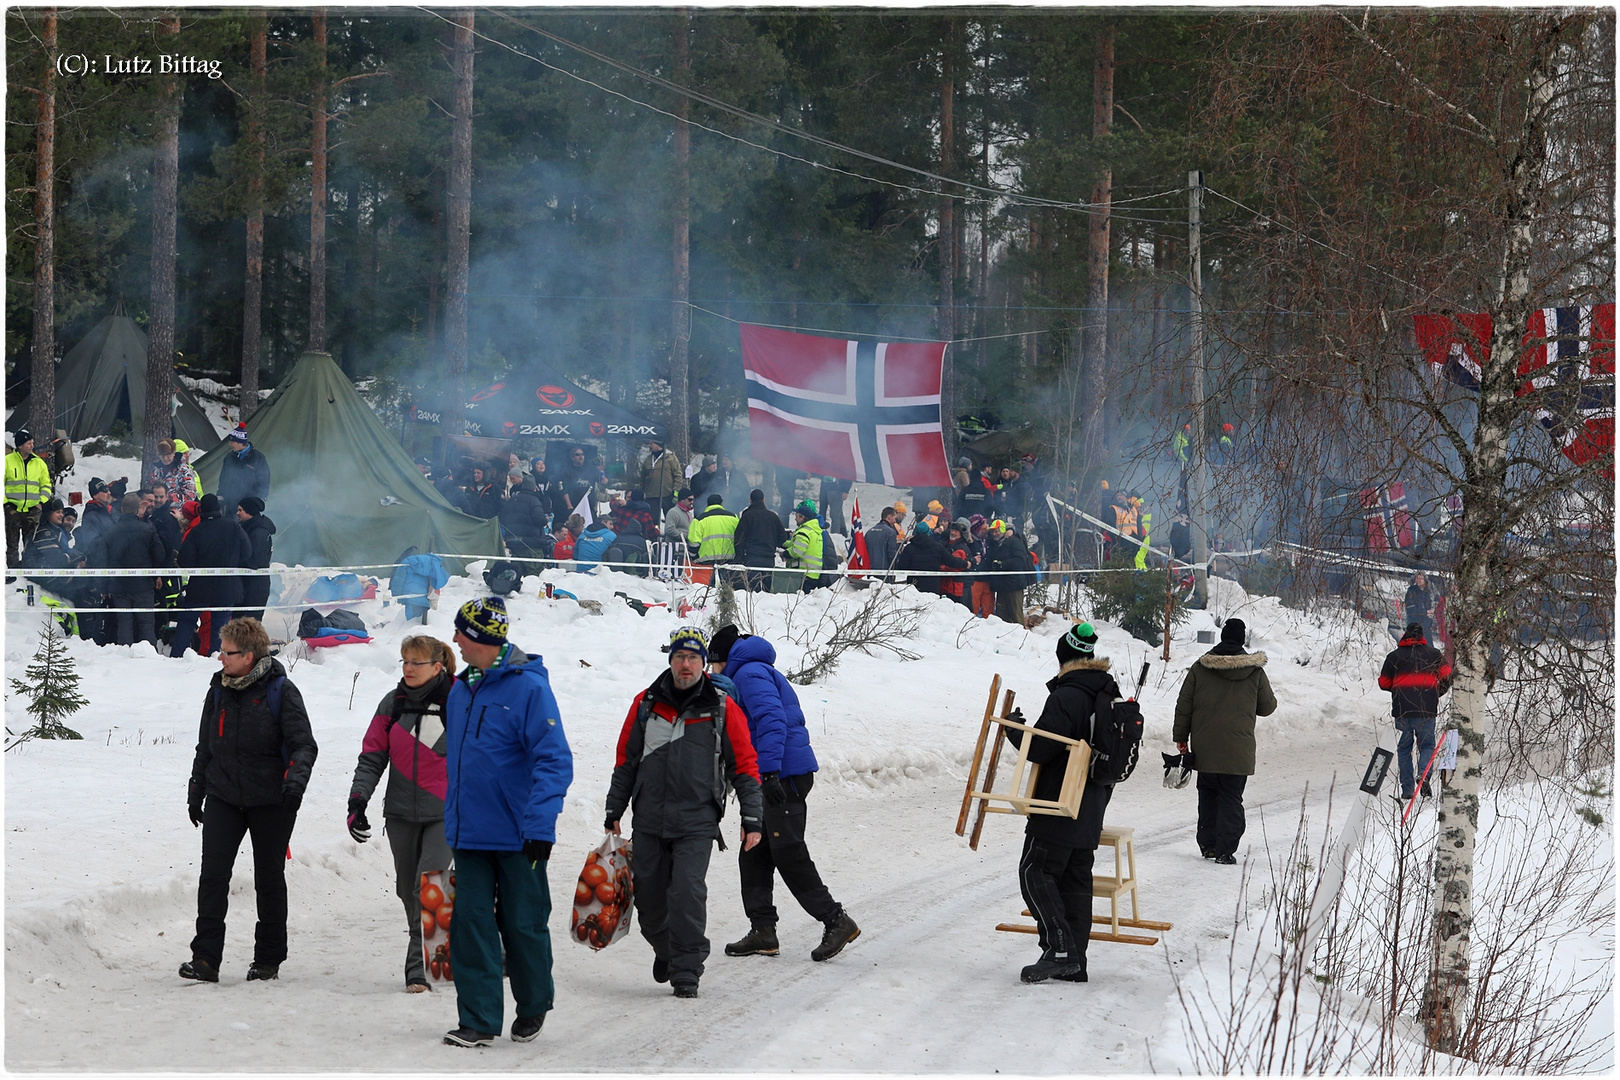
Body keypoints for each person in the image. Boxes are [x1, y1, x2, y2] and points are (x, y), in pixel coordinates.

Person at [603, 627, 765, 998]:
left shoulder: (722, 707)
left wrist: (752, 817)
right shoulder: (645, 704)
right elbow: (626, 761)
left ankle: (687, 969)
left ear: (704, 663)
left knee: (688, 894)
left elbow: (745, 765)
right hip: (649, 819)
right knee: (648, 900)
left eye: (693, 658)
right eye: (680, 657)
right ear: (670, 661)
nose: (686, 665)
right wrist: (615, 806)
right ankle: (668, 950)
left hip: (697, 820)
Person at [440, 597, 573, 1047]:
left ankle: (534, 1004)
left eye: (460, 632)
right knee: (470, 926)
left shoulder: (529, 689)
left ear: (481, 638)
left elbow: (554, 760)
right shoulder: (460, 690)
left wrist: (540, 826)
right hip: (470, 833)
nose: (454, 640)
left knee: (523, 923)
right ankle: (477, 1019)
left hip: (519, 835)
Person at [708, 626, 860, 964]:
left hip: (783, 776)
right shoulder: (749, 672)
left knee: (787, 851)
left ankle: (836, 920)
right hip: (772, 773)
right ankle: (763, 929)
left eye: (711, 663)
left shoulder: (748, 673)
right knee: (754, 849)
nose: (711, 670)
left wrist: (770, 771)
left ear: (720, 660)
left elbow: (773, 720)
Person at [181, 616, 317, 984]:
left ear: (250, 656)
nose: (220, 658)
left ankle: (268, 958)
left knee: (269, 878)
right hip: (225, 796)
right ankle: (205, 959)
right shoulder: (218, 691)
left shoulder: (281, 691)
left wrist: (294, 786)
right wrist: (197, 790)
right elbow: (206, 745)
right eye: (221, 651)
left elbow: (304, 745)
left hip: (272, 800)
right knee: (212, 876)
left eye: (228, 652)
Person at [1003, 622, 1116, 983]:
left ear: (1063, 657)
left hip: (1057, 805)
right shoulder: (1106, 694)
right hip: (1091, 806)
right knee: (1074, 880)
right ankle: (1074, 960)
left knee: (1034, 872)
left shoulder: (1066, 696)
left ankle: (1061, 947)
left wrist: (1014, 731)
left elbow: (1041, 749)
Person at [348, 635, 457, 991]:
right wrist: (358, 800)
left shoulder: (458, 702)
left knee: (427, 887)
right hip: (399, 813)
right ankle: (451, 942)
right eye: (404, 661)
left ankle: (418, 969)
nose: (408, 668)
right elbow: (373, 755)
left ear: (437, 667)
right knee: (406, 889)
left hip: (445, 812)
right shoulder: (392, 703)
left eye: (416, 662)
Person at [1172, 618, 1276, 864]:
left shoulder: (1200, 667)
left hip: (1206, 749)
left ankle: (1208, 845)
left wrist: (1180, 737)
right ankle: (1225, 850)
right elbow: (1268, 707)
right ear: (1242, 640)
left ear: (1222, 637)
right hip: (1238, 751)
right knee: (1231, 798)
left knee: (1207, 796)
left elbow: (1184, 704)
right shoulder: (1255, 671)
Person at [1378, 621, 1452, 802]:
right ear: (1422, 637)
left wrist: (1398, 690)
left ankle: (1407, 790)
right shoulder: (1434, 655)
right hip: (1427, 708)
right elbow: (1447, 674)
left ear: (1405, 635)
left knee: (1404, 749)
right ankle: (1424, 776)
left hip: (1402, 710)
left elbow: (1383, 683)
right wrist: (1437, 691)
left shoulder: (1394, 657)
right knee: (1426, 745)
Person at [173, 494, 252, 658]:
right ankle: (216, 657)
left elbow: (184, 560)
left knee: (187, 621)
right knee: (221, 625)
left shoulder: (197, 531)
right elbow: (247, 553)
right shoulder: (234, 527)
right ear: (219, 509)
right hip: (227, 586)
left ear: (201, 510)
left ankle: (177, 655)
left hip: (199, 588)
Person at [103, 493, 167, 647]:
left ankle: (125, 654)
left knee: (124, 623)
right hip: (143, 585)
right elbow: (160, 555)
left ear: (123, 508)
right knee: (146, 624)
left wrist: (105, 584)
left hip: (119, 585)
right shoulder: (147, 529)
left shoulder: (111, 531)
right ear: (139, 509)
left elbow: (103, 559)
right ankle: (148, 656)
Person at [6, 429, 53, 566]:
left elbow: (46, 485)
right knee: (11, 543)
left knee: (31, 543)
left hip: (33, 510)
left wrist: (40, 502)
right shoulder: (7, 462)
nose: (32, 446)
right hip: (12, 509)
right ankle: (12, 571)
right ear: (20, 446)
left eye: (32, 443)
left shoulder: (39, 463)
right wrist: (6, 505)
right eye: (28, 443)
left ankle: (29, 569)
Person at [217, 424, 271, 519]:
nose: (230, 444)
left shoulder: (258, 458)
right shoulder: (229, 457)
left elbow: (264, 481)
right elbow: (223, 479)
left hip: (248, 507)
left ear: (240, 443)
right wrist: (220, 496)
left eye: (232, 441)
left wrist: (259, 499)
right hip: (229, 504)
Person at [735, 488, 785, 592]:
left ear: (750, 500)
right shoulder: (773, 517)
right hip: (768, 559)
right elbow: (782, 538)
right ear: (764, 500)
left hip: (751, 558)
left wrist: (739, 558)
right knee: (767, 591)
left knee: (753, 592)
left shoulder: (747, 516)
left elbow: (739, 539)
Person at [986, 519, 1034, 627]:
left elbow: (1020, 560)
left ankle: (1021, 637)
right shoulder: (995, 544)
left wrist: (1002, 564)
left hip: (1014, 585)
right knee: (1001, 616)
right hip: (1002, 586)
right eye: (992, 531)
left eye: (996, 531)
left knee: (1016, 615)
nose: (994, 534)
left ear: (1003, 530)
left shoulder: (1014, 541)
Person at [236, 497, 276, 621]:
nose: (237, 513)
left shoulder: (259, 533)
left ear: (249, 512)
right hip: (245, 584)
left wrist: (236, 560)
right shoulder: (247, 528)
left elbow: (254, 560)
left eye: (240, 510)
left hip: (255, 586)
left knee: (250, 624)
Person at [687, 493, 740, 584]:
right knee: (726, 589)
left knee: (708, 591)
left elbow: (693, 543)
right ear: (721, 504)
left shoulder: (699, 520)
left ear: (707, 505)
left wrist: (693, 557)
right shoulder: (733, 518)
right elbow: (740, 538)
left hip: (706, 562)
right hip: (728, 560)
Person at [783, 500, 825, 593]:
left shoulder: (803, 532)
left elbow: (797, 550)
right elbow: (795, 544)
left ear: (803, 517)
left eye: (797, 516)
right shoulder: (815, 531)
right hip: (813, 574)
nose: (795, 518)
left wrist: (785, 553)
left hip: (802, 574)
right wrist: (783, 543)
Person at [640, 438, 683, 520]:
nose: (649, 446)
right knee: (653, 520)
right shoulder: (648, 460)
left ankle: (671, 532)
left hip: (667, 494)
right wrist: (642, 491)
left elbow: (678, 475)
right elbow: (643, 478)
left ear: (658, 444)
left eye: (651, 443)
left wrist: (676, 491)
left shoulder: (670, 458)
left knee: (671, 518)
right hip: (651, 496)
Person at [150, 438, 201, 505]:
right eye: (162, 456)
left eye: (168, 455)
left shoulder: (184, 470)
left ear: (173, 453)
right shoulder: (157, 470)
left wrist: (167, 499)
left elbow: (189, 496)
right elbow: (152, 487)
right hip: (159, 509)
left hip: (179, 511)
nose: (165, 458)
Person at [863, 505, 902, 580]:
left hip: (870, 571)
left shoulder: (869, 532)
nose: (895, 521)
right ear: (889, 517)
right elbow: (891, 554)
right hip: (885, 572)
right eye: (894, 518)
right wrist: (894, 569)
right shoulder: (891, 532)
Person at [1404, 573, 1434, 642]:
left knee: (1427, 642)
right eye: (1417, 578)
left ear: (1425, 580)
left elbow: (1430, 605)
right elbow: (1410, 609)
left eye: (1421, 578)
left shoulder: (1428, 592)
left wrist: (1430, 612)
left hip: (1425, 623)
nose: (1419, 580)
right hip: (1414, 622)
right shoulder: (1411, 590)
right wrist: (1425, 612)